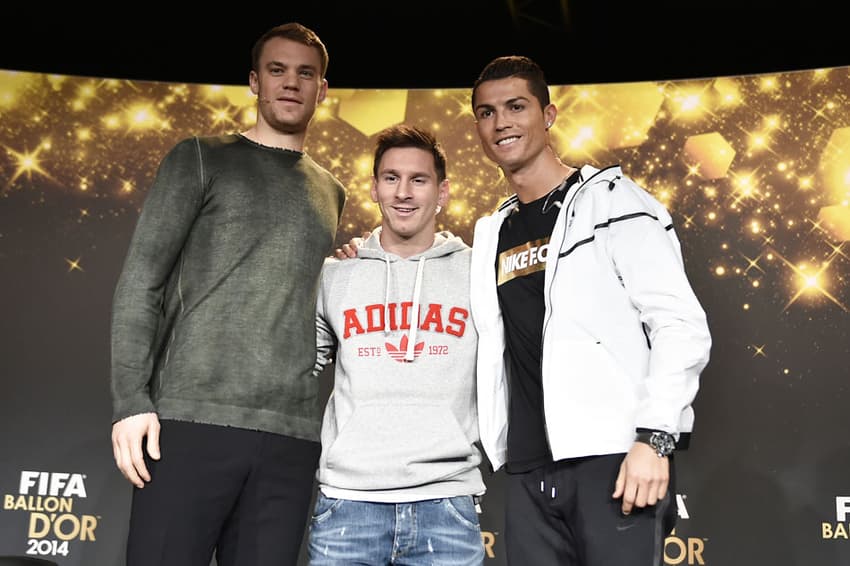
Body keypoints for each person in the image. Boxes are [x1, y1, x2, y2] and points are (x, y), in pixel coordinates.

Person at [109, 22, 346, 566]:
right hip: (191, 421)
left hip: (291, 435)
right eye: (277, 70)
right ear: (254, 82)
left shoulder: (332, 189)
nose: (291, 83)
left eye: (306, 73)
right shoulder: (199, 157)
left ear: (322, 90)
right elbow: (140, 282)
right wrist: (130, 403)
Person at [468, 55, 712, 565]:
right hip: (528, 469)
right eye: (487, 113)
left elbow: (680, 325)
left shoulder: (614, 202)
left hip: (614, 459)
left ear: (549, 114)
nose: (502, 122)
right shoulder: (492, 231)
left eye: (516, 106)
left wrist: (655, 439)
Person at [307, 124, 486, 566]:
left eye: (418, 180)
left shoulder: (479, 273)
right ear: (374, 188)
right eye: (391, 178)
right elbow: (298, 367)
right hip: (347, 504)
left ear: (442, 192)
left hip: (446, 502)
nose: (403, 192)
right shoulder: (336, 273)